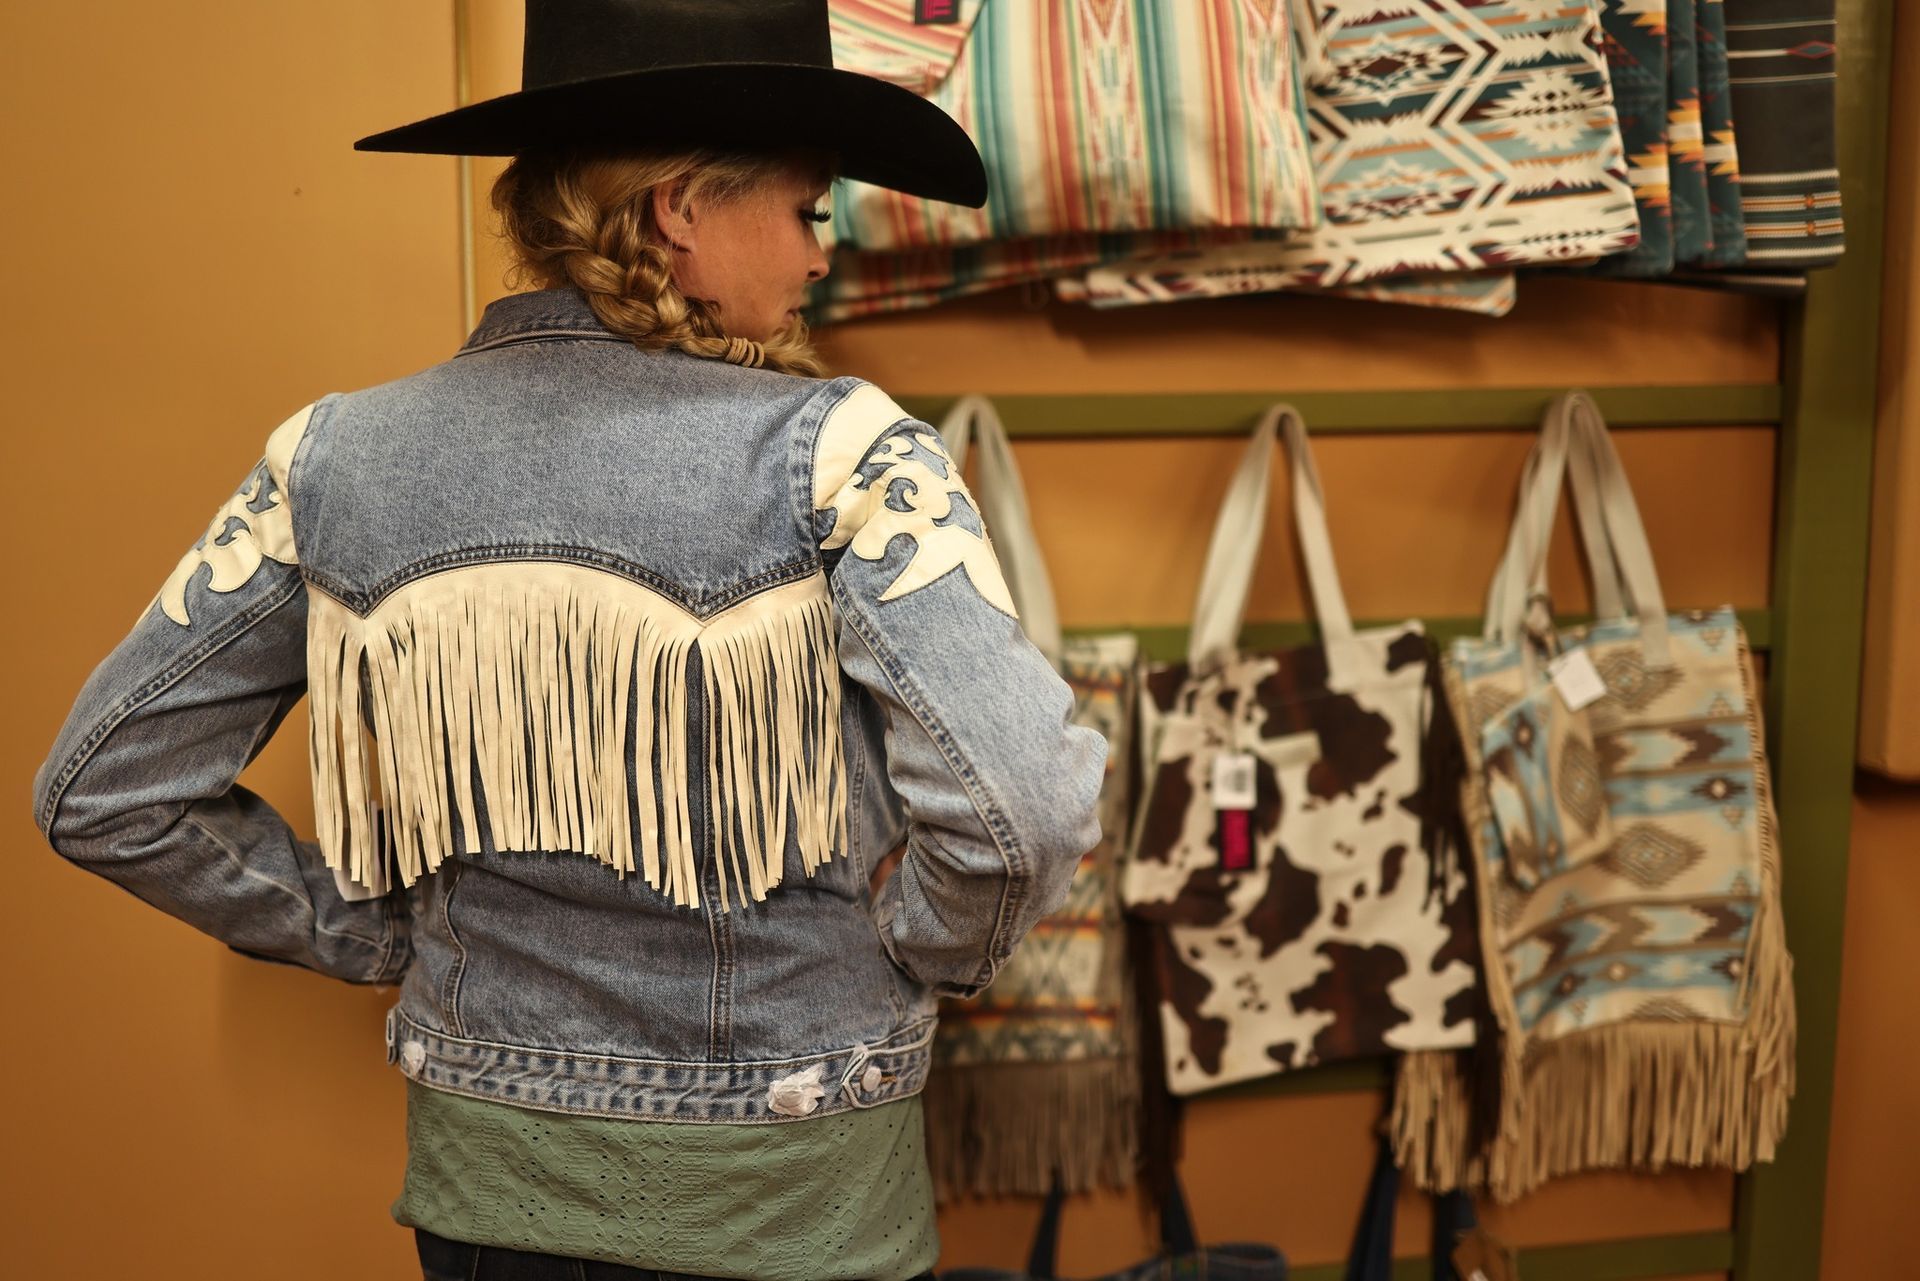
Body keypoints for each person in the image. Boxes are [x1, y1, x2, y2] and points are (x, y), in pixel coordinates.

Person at [29, 2, 1107, 1278]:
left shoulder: (333, 459)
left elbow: (103, 788)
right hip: (792, 1189)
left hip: (488, 1198)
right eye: (812, 210)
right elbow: (1023, 811)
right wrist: (922, 949)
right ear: (683, 208)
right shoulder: (839, 454)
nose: (824, 257)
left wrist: (382, 934)